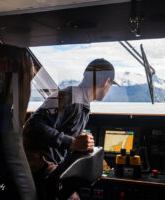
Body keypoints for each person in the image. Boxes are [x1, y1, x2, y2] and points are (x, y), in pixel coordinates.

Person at [23, 58, 119, 199]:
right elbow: (33, 125)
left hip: (49, 168)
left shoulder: (82, 104)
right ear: (106, 82)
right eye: (110, 85)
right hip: (38, 167)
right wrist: (72, 143)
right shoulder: (68, 96)